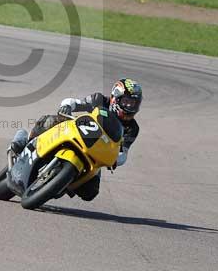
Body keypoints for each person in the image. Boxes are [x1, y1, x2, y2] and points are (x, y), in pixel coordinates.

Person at [9, 78, 143, 201]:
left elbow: (124, 153)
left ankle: (61, 183)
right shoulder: (99, 100)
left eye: (133, 103)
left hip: (96, 153)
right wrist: (67, 106)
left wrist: (115, 159)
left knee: (90, 192)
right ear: (115, 98)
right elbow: (73, 102)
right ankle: (25, 141)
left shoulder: (132, 129)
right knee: (50, 121)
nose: (130, 107)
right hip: (77, 134)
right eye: (126, 101)